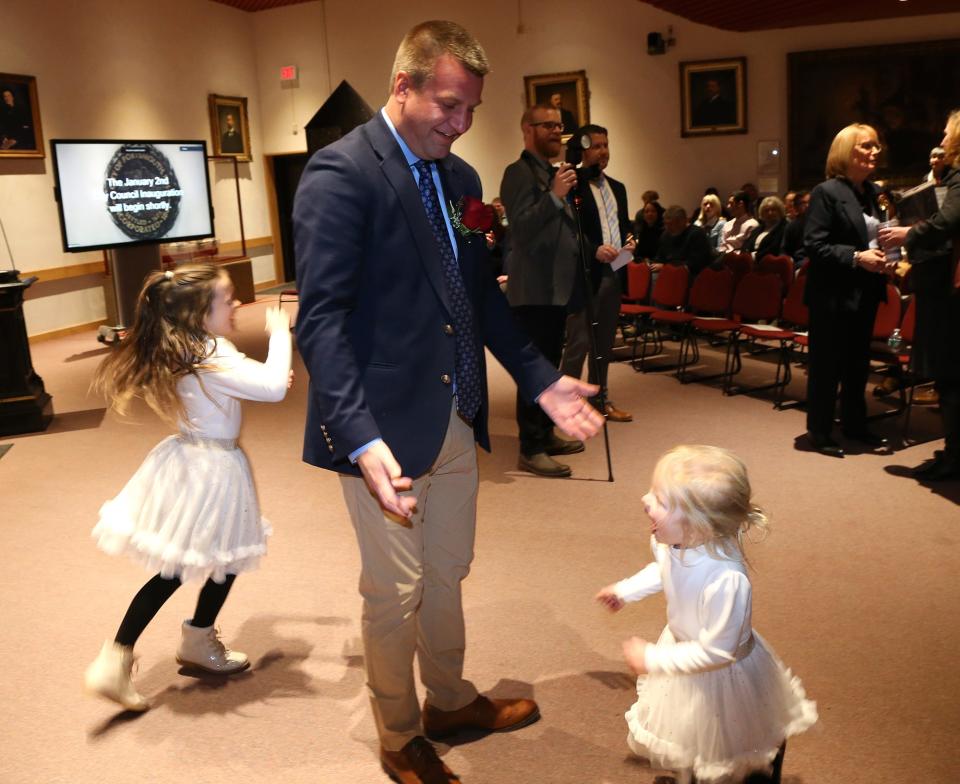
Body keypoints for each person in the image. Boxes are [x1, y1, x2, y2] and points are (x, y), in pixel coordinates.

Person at [293, 21, 603, 784]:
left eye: (471, 110)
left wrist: (541, 378)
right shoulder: (340, 175)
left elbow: (479, 303)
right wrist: (359, 438)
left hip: (456, 413)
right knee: (394, 592)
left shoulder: (462, 183)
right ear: (404, 86)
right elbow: (321, 322)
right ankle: (399, 735)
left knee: (449, 569)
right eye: (448, 105)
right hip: (381, 435)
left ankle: (451, 699)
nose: (461, 124)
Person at [83, 264, 293, 711]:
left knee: (221, 553)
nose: (236, 306)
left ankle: (190, 639)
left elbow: (253, 383)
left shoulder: (195, 349)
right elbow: (273, 388)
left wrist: (262, 378)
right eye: (227, 299)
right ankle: (122, 658)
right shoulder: (213, 352)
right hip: (212, 468)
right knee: (193, 563)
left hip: (189, 460)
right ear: (200, 312)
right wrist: (280, 335)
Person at [596, 445, 817, 784]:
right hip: (685, 650)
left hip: (723, 673)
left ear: (697, 525)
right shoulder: (673, 542)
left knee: (727, 744)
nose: (645, 500)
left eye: (659, 498)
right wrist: (626, 591)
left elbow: (717, 651)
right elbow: (665, 570)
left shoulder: (727, 580)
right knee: (690, 736)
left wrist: (653, 659)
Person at [501, 103, 591, 478]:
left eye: (559, 126)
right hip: (533, 291)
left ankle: (546, 432)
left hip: (555, 290)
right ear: (527, 129)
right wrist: (554, 195)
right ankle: (531, 447)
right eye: (548, 126)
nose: (557, 132)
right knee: (534, 371)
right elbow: (520, 229)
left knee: (550, 368)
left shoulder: (554, 172)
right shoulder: (518, 173)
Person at [880, 110, 960, 480]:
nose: (941, 140)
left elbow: (948, 221)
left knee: (951, 374)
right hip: (946, 285)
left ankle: (955, 456)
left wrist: (907, 233)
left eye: (947, 133)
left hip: (950, 291)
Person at [803, 123, 891, 457]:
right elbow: (814, 245)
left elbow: (878, 234)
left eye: (876, 147)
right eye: (866, 146)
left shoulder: (874, 191)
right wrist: (857, 257)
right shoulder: (827, 192)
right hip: (832, 294)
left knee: (857, 364)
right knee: (827, 365)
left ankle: (855, 425)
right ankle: (820, 431)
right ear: (846, 151)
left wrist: (887, 256)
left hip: (866, 291)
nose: (874, 152)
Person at [560, 124, 636, 423]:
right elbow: (567, 229)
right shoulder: (572, 184)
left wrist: (632, 239)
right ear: (583, 149)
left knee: (604, 342)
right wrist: (593, 249)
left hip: (615, 271)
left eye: (606, 145)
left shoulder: (618, 187)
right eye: (597, 146)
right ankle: (566, 402)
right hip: (585, 273)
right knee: (579, 342)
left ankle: (600, 398)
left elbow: (624, 224)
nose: (603, 151)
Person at [654, 204, 713, 280]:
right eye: (666, 224)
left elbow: (696, 263)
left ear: (683, 221)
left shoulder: (697, 234)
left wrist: (666, 267)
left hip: (692, 275)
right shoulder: (665, 235)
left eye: (671, 224)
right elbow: (660, 257)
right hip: (669, 272)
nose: (667, 228)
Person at [743, 196, 788, 260]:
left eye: (773, 210)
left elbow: (774, 249)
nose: (770, 213)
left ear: (780, 211)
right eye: (766, 210)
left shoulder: (785, 228)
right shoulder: (757, 230)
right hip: (751, 262)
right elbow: (745, 246)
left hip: (770, 263)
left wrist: (755, 256)